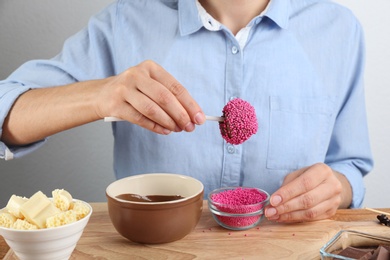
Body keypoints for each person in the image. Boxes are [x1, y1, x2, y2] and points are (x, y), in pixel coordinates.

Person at [0, 0, 373, 223]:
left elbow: (349, 167)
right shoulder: (126, 21)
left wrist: (333, 189)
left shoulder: (338, 30)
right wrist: (102, 94)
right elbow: (7, 111)